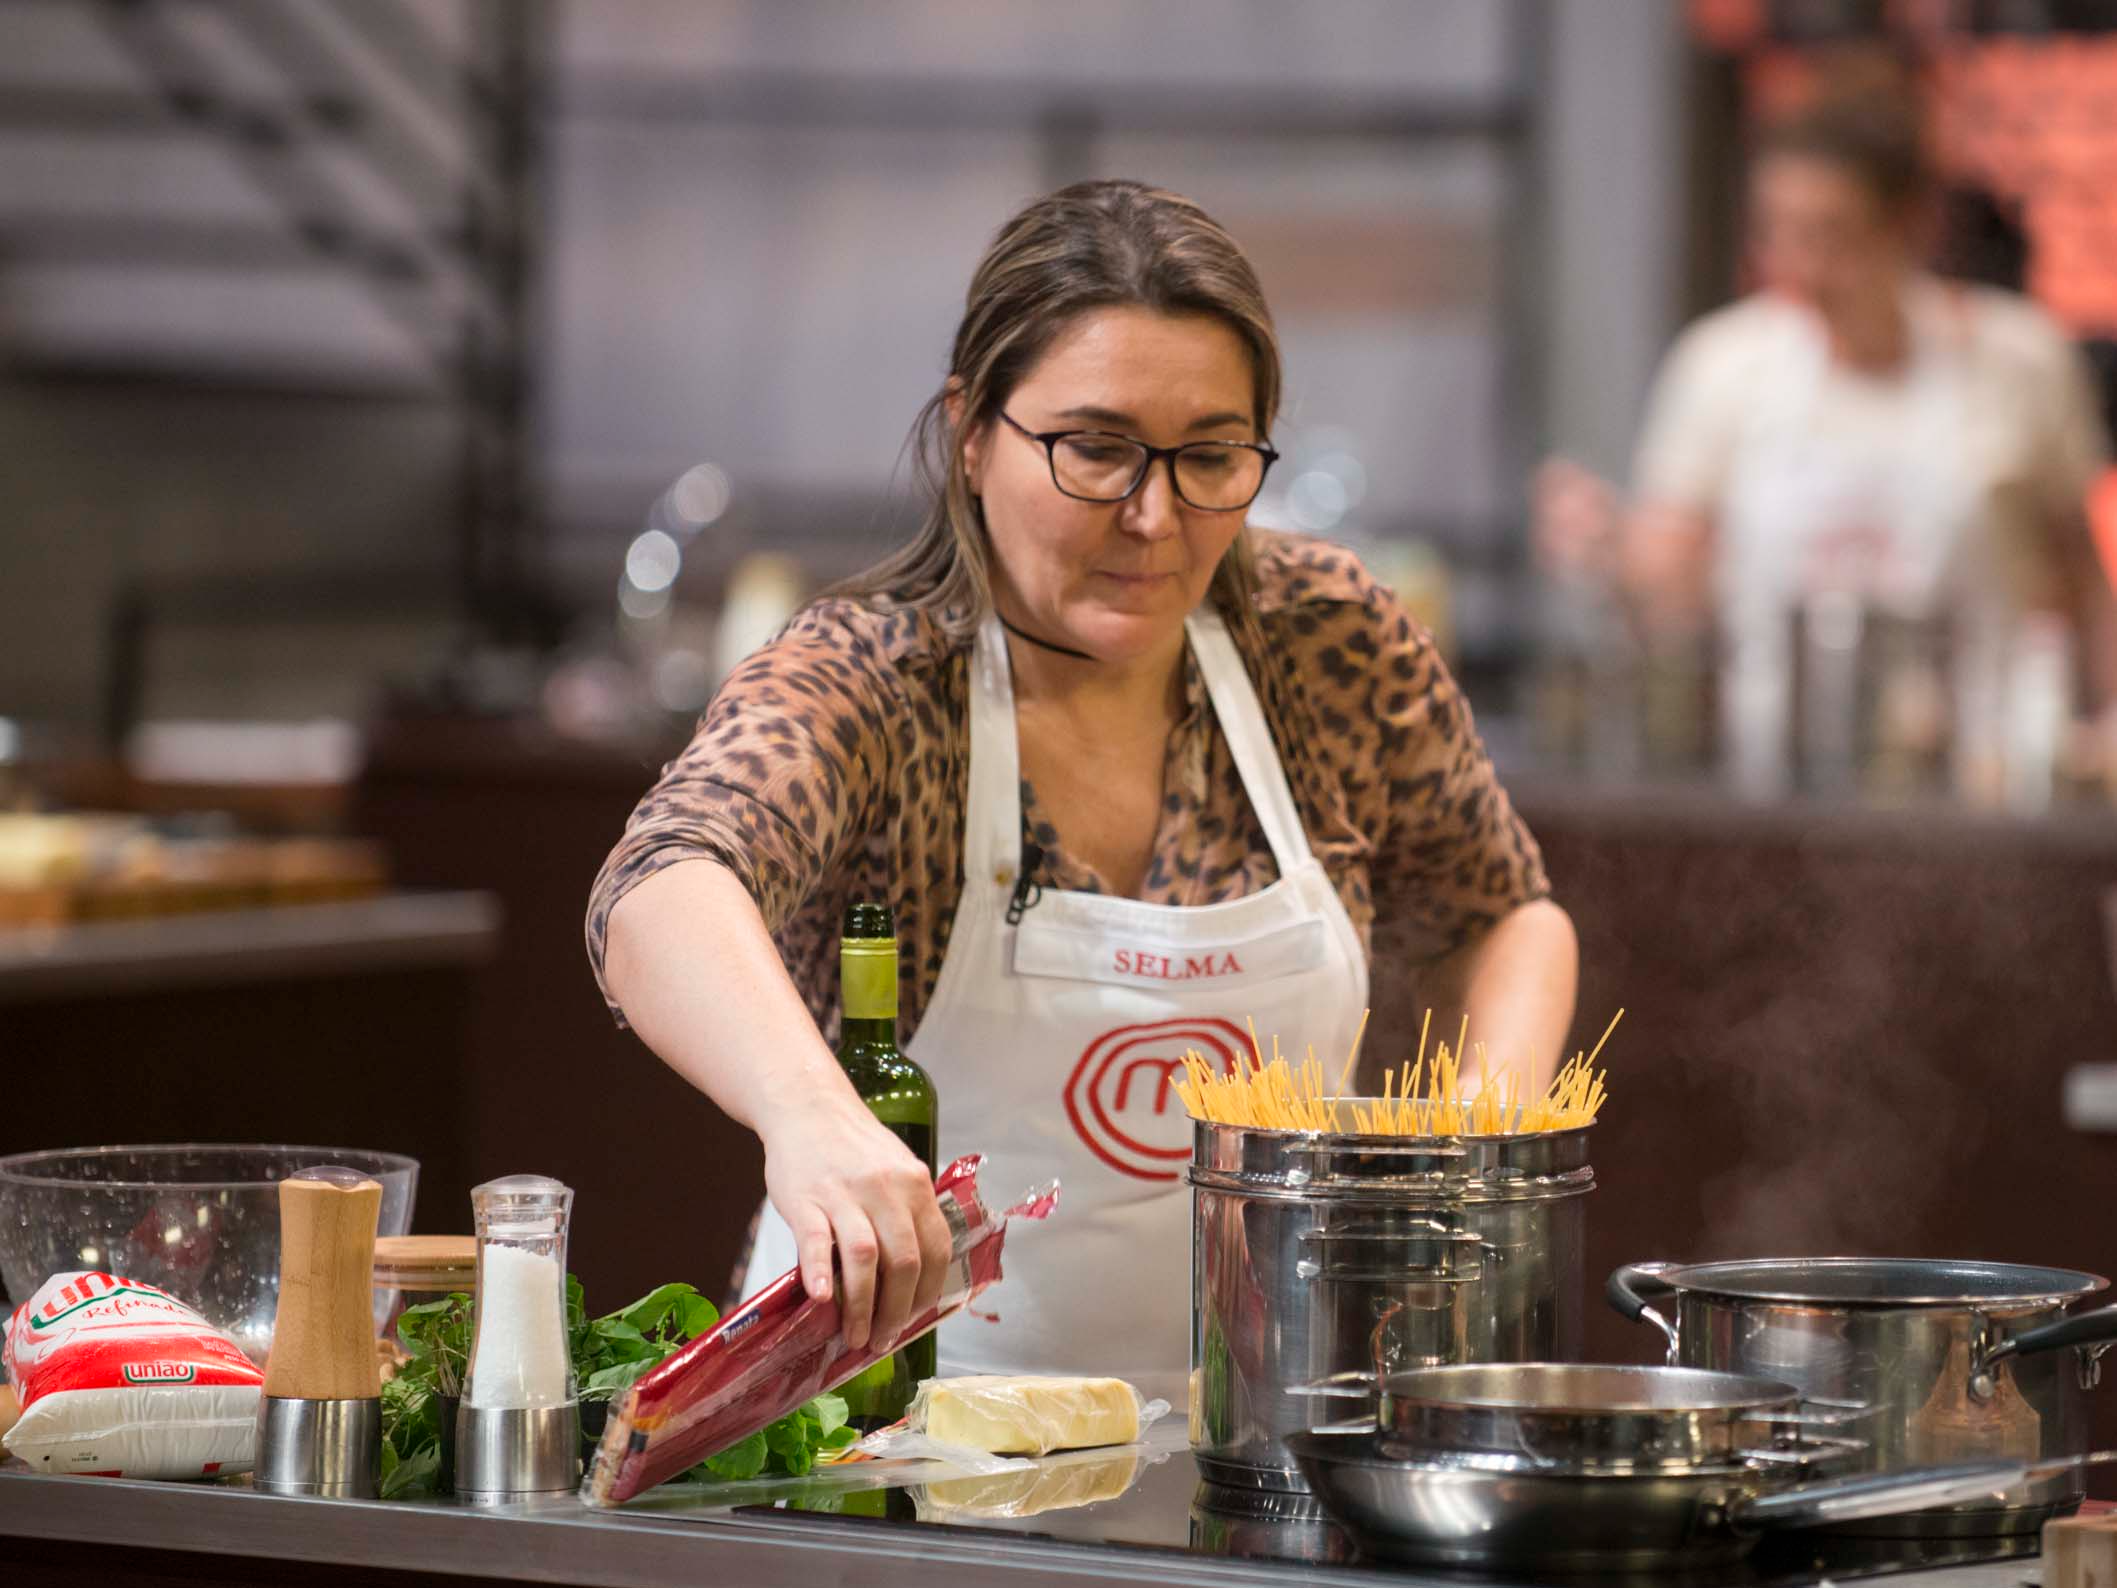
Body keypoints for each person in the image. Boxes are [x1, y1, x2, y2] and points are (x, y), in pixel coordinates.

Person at [587, 179, 1577, 1401]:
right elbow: (660, 885)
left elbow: (1503, 910)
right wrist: (811, 1118)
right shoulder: (874, 679)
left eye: (1210, 455)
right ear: (969, 428)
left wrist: (1473, 1140)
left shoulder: (1325, 643)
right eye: (1095, 449)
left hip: (1258, 1446)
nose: (1153, 517)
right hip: (893, 1448)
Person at [1539, 97, 2113, 799]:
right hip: (1772, 779)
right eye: (1779, 234)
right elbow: (1671, 587)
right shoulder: (1725, 365)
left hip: (1981, 782)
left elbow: (2080, 579)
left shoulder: (2016, 360)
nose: (1802, 266)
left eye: (1833, 235)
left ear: (1909, 223)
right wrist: (1605, 548)